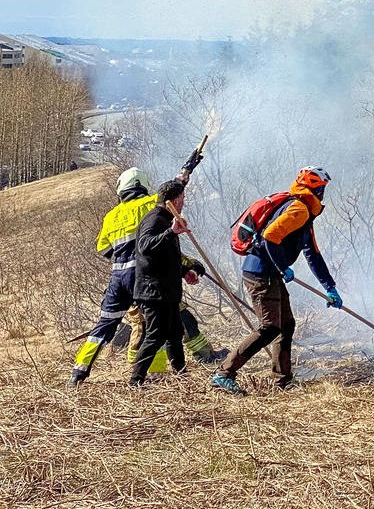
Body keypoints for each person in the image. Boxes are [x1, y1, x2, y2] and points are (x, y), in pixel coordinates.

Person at [69, 160, 219, 386]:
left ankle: (78, 373)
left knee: (106, 324)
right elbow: (174, 189)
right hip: (146, 276)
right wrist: (187, 169)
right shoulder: (151, 204)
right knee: (157, 323)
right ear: (143, 185)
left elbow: (104, 248)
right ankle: (154, 373)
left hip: (119, 277)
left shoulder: (111, 216)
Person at [210, 167, 342, 396]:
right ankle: (224, 373)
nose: (323, 193)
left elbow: (313, 254)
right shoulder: (299, 209)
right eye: (322, 188)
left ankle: (281, 379)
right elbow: (270, 237)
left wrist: (330, 287)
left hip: (269, 273)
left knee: (286, 324)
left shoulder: (304, 212)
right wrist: (283, 267)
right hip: (261, 273)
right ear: (316, 188)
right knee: (270, 327)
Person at [128, 180, 198, 386]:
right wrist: (171, 232)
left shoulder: (167, 218)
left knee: (175, 333)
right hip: (153, 291)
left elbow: (165, 256)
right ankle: (136, 380)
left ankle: (182, 376)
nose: (184, 202)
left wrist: (185, 272)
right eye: (183, 198)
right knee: (155, 335)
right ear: (175, 200)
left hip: (166, 290)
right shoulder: (155, 219)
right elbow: (145, 246)